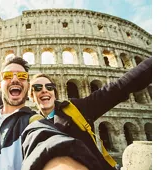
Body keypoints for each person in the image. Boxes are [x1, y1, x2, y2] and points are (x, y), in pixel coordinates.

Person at [21, 57, 152, 170]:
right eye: (37, 88)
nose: (44, 91)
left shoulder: (76, 108)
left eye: (49, 87)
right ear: (32, 96)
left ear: (54, 93)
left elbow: (118, 88)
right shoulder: (31, 124)